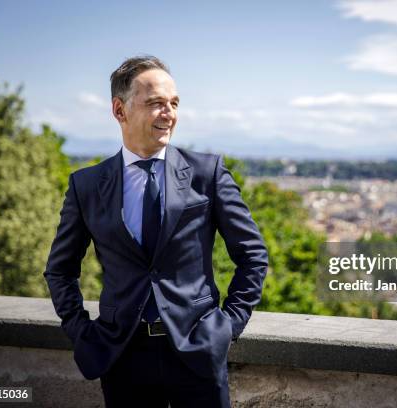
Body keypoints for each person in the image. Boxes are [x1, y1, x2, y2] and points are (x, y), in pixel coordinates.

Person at [44, 55, 268, 407]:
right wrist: (81, 331)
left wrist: (227, 328)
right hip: (122, 358)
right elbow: (60, 269)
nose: (169, 114)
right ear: (120, 110)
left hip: (198, 356)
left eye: (174, 103)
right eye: (155, 103)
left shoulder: (207, 173)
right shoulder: (86, 185)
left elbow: (253, 256)